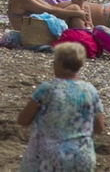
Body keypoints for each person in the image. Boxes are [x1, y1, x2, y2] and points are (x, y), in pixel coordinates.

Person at [17, 42, 104, 172]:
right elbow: (99, 127)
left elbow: (23, 120)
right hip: (81, 156)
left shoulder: (47, 89)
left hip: (48, 157)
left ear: (60, 63)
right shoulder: (90, 91)